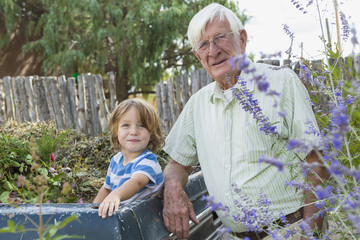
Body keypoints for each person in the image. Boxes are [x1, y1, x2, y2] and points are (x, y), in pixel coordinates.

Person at [162, 3, 328, 240]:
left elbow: (317, 162)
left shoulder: (281, 83)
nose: (213, 50)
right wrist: (173, 188)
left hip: (290, 231)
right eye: (203, 44)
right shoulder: (197, 105)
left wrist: (310, 233)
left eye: (220, 37)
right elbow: (176, 164)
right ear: (198, 56)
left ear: (242, 39)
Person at [94, 98, 164, 219]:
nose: (133, 131)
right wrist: (91, 212)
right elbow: (106, 190)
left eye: (142, 126)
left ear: (151, 133)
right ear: (116, 131)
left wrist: (116, 195)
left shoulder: (148, 162)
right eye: (126, 125)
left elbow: (137, 182)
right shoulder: (116, 160)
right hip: (124, 219)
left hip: (147, 222)